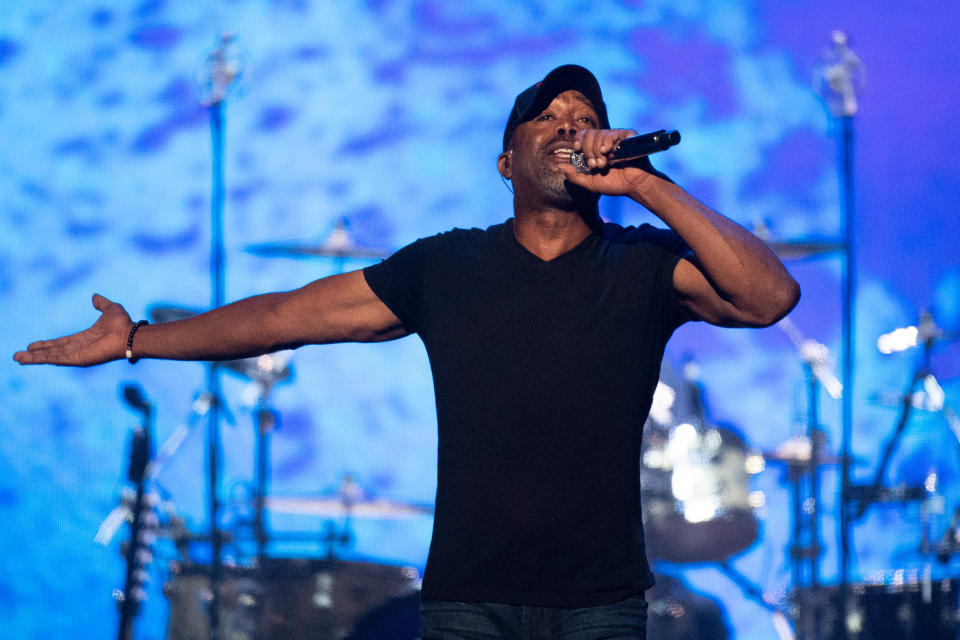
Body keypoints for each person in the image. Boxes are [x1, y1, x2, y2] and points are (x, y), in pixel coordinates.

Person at [15, 64, 799, 639]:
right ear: (506, 163)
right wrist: (137, 341)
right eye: (548, 115)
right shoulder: (448, 267)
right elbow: (285, 316)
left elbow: (770, 298)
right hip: (469, 604)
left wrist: (647, 184)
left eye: (583, 113)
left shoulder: (641, 262)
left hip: (602, 606)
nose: (570, 122)